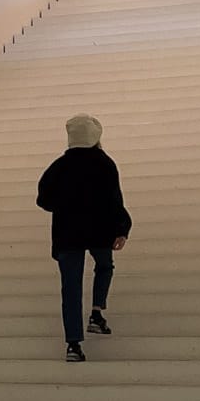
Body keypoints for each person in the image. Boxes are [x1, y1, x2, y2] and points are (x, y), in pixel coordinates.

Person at [36, 114, 131, 362]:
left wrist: (67, 204)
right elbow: (114, 199)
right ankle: (97, 313)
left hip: (68, 234)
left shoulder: (59, 167)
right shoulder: (105, 164)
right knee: (104, 266)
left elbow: (43, 199)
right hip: (100, 231)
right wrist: (122, 228)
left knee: (71, 288)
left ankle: (73, 344)